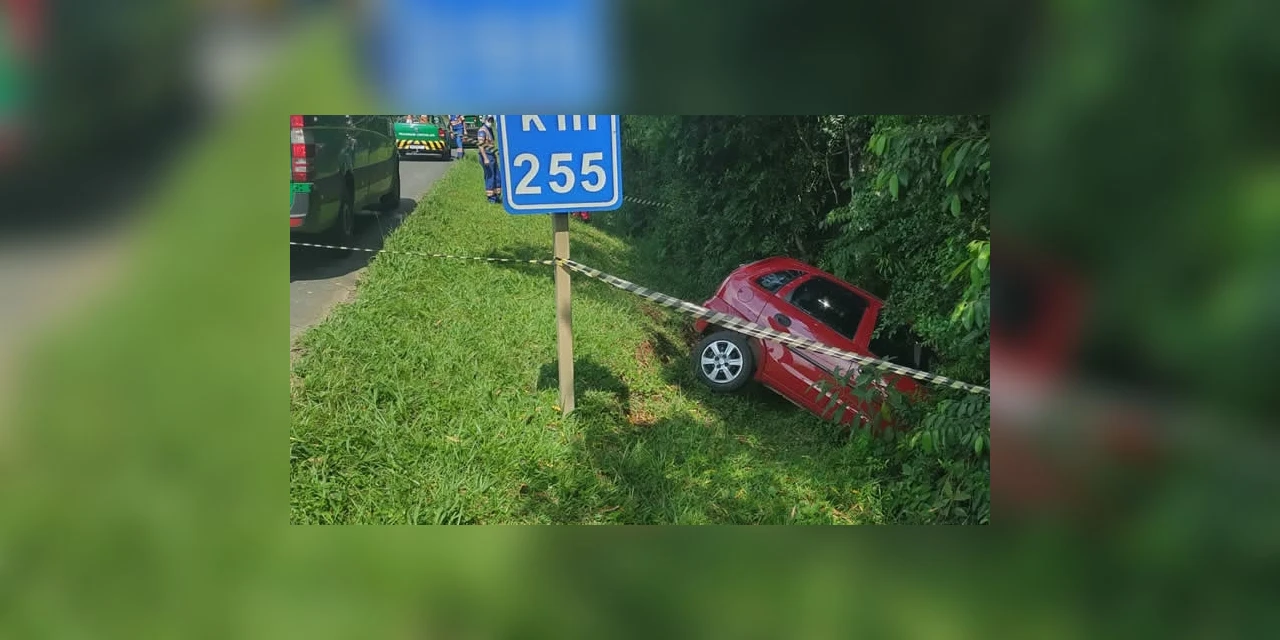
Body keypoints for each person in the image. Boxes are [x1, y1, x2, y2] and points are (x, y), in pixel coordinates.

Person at [476, 116, 502, 203]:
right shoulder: (482, 130)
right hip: (486, 156)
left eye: (491, 120)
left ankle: (497, 195)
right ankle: (491, 198)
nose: (490, 122)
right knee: (490, 177)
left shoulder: (490, 130)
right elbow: (481, 145)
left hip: (492, 155)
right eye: (489, 120)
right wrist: (485, 158)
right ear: (485, 120)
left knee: (497, 176)